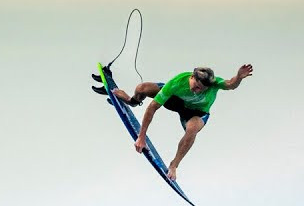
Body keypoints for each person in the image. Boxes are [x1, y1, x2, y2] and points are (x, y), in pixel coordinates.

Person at [102, 64, 253, 181]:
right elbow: (153, 107)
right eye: (196, 87)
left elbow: (231, 84)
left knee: (192, 128)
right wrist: (141, 137)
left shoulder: (214, 83)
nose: (197, 91)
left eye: (201, 90)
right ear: (192, 77)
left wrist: (239, 76)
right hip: (176, 102)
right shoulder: (177, 82)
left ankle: (174, 165)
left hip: (196, 113)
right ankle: (132, 101)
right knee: (142, 88)